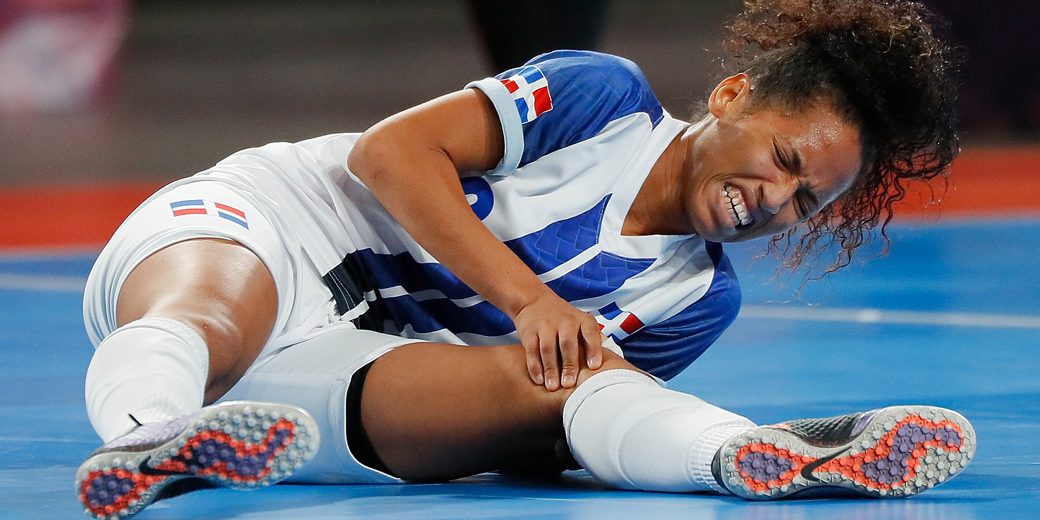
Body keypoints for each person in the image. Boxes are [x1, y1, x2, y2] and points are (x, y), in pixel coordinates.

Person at [74, 1, 973, 518]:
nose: (776, 200)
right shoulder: (603, 99)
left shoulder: (697, 298)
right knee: (210, 322)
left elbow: (544, 443)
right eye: (783, 161)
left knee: (572, 389)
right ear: (733, 95)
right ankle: (147, 430)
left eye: (806, 201)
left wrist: (569, 405)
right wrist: (529, 303)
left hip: (349, 371)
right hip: (273, 228)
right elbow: (388, 155)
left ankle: (742, 454)